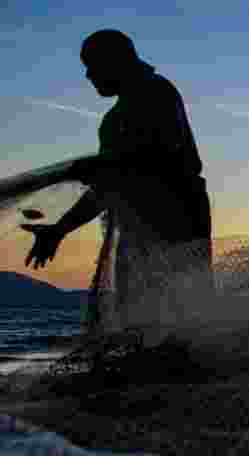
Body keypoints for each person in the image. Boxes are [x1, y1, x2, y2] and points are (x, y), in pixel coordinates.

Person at [22, 29, 213, 337]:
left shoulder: (155, 92)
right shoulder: (115, 119)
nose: (88, 75)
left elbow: (161, 157)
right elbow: (107, 189)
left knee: (182, 317)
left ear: (118, 60)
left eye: (92, 65)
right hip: (138, 225)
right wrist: (58, 230)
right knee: (139, 324)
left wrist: (107, 165)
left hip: (176, 220)